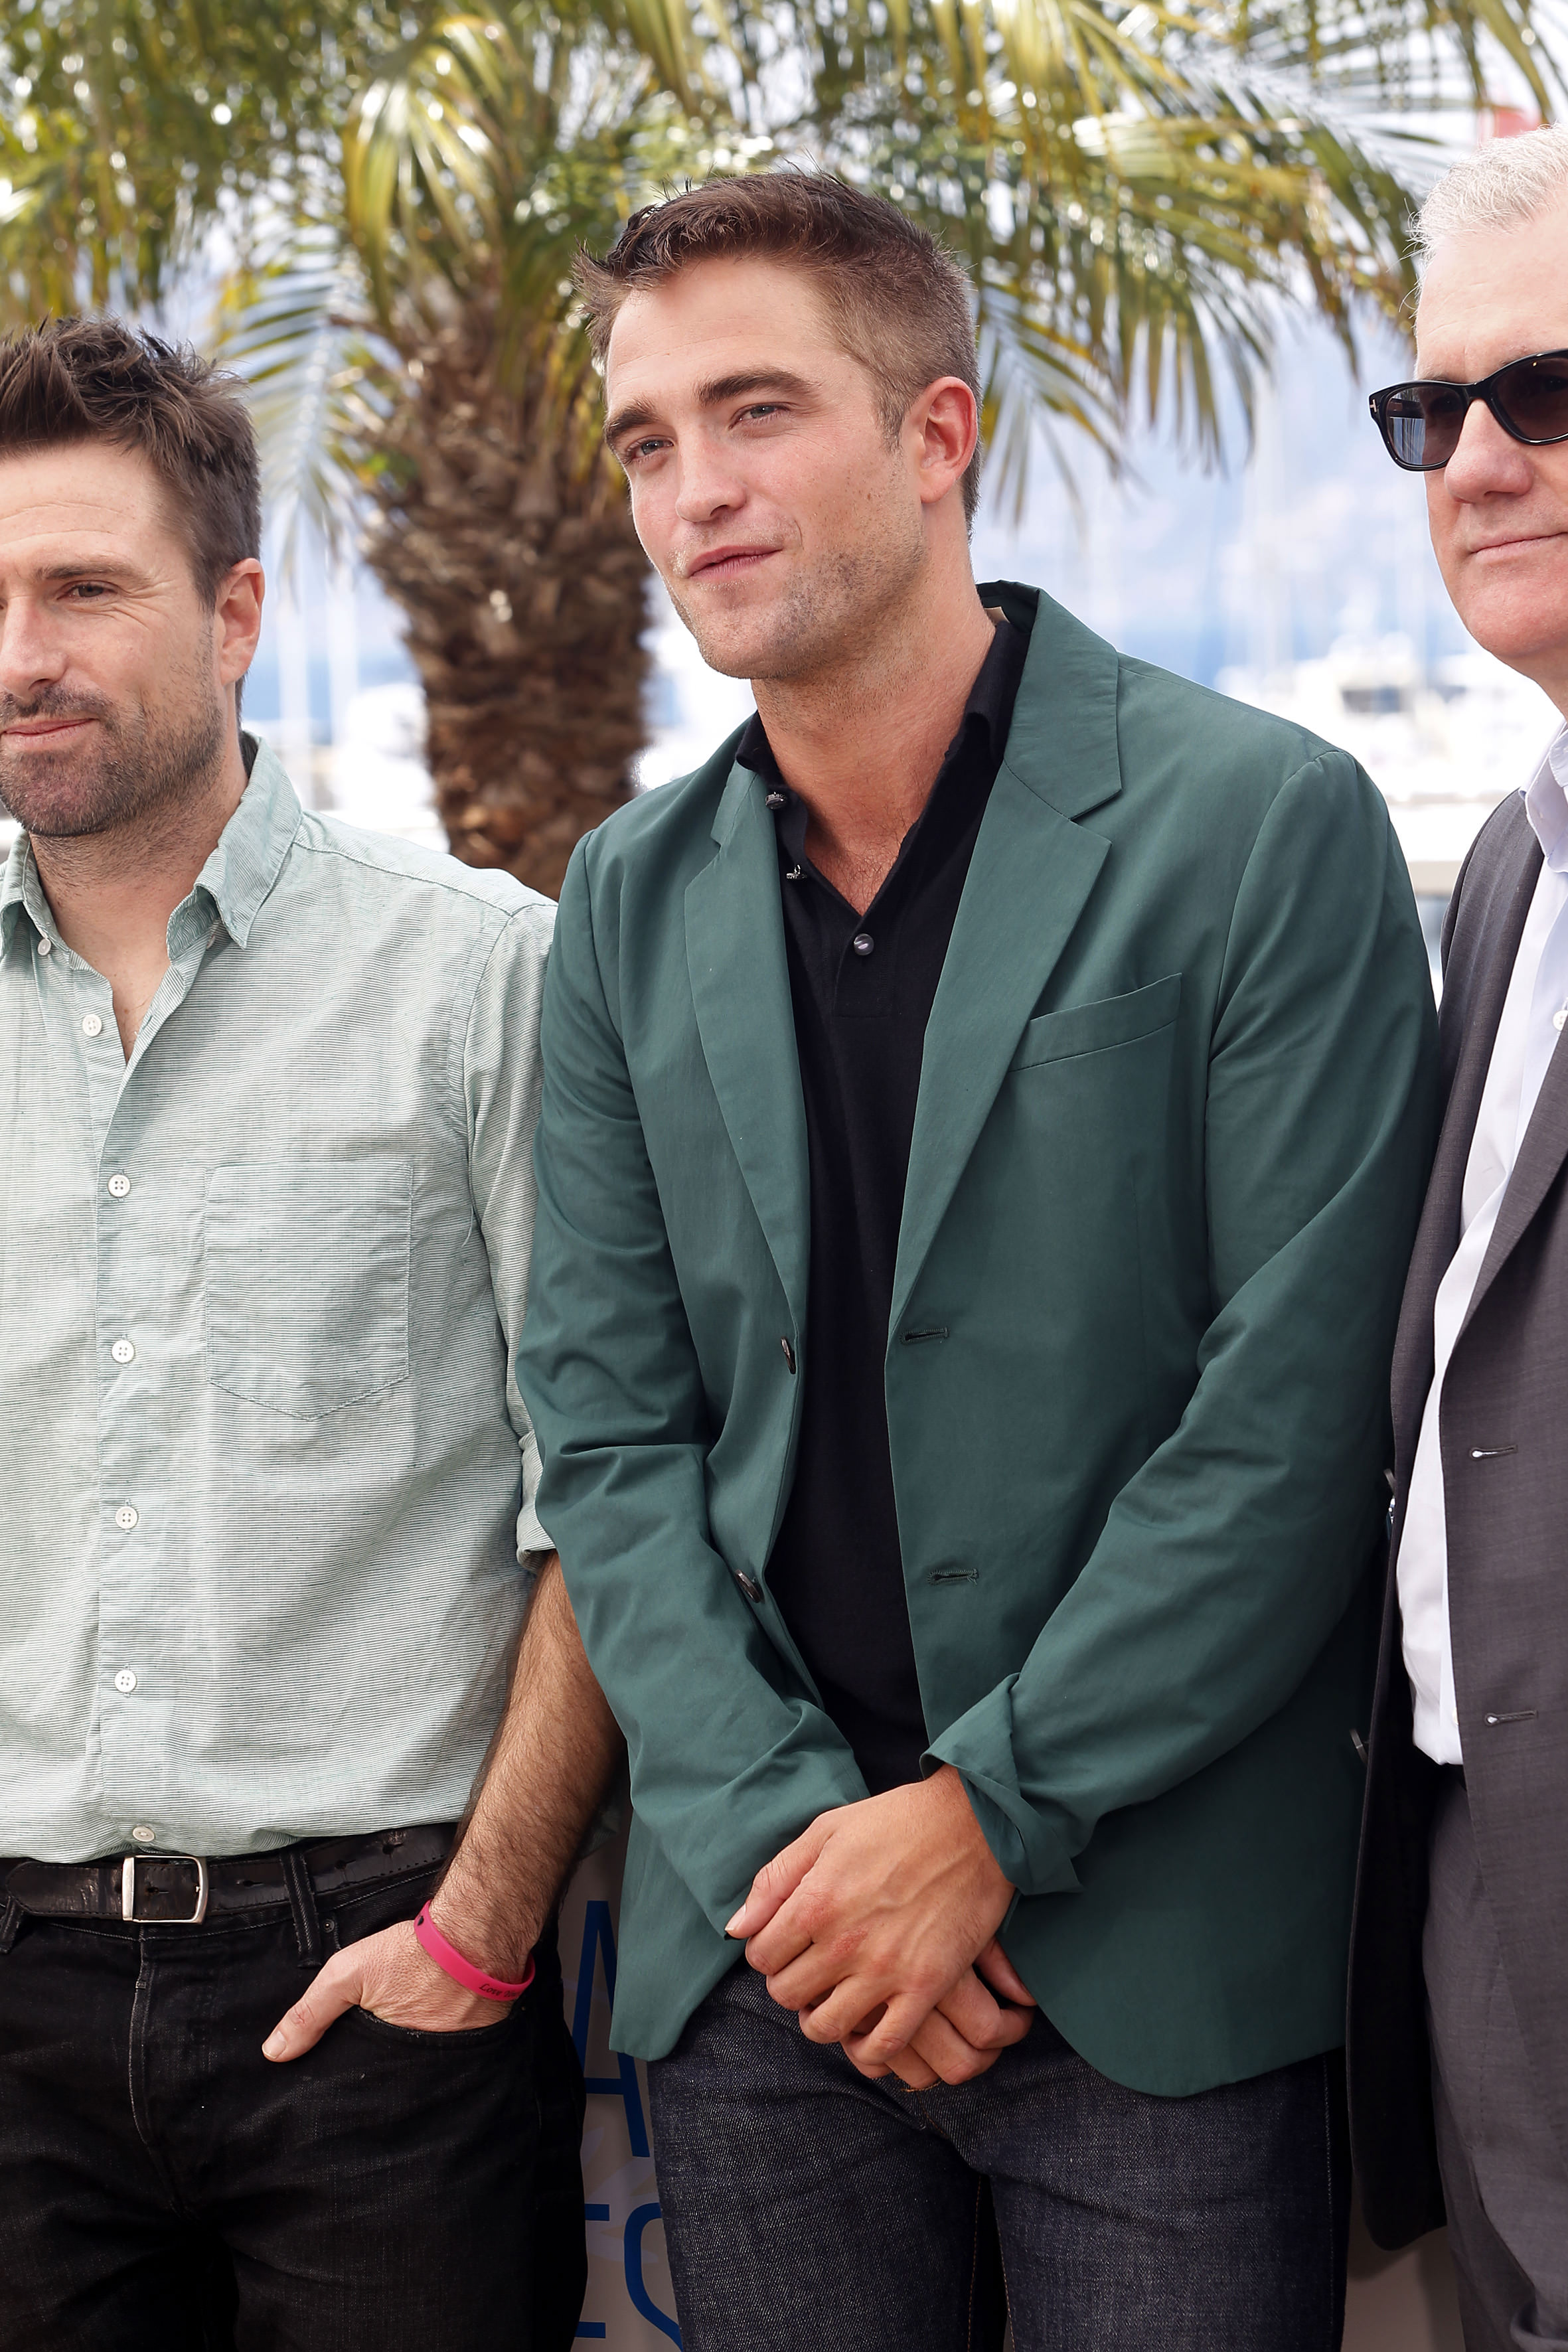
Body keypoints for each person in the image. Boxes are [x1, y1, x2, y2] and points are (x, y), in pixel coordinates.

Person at [517, 171, 1439, 2351]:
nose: (692, 491)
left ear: (939, 432)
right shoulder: (624, 900)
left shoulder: (1257, 823)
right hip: (769, 1967)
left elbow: (1296, 1411)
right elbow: (611, 1434)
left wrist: (984, 1822)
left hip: (1150, 1955)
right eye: (647, 439)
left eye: (755, 411)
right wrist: (800, 1853)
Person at [0, 317, 621, 2351]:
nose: (23, 653)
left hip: (378, 2007)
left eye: (83, 588)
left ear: (237, 611)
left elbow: (608, 1495)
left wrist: (483, 1924)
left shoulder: (477, 979)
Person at [1350, 127, 1568, 2349]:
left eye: (1550, 392)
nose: (1481, 461)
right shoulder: (1508, 868)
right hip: (1482, 1912)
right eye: (1433, 412)